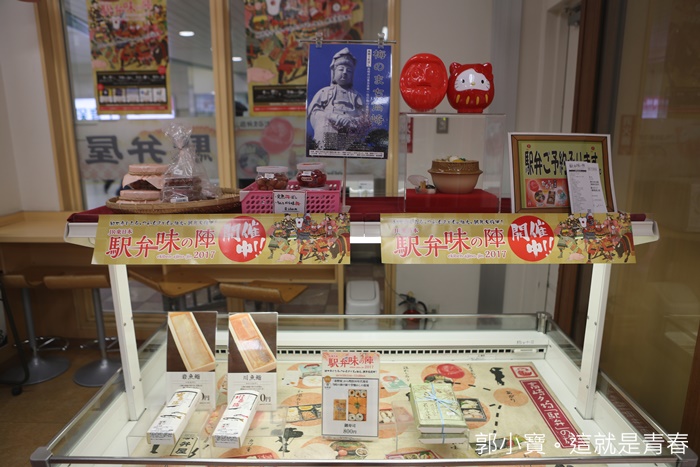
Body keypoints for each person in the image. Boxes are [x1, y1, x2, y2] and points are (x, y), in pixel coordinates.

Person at [307, 47, 366, 150]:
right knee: (330, 149)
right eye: (341, 69)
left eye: (349, 71)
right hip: (330, 130)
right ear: (334, 72)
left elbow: (365, 118)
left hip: (350, 133)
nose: (345, 72)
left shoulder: (357, 96)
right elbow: (314, 113)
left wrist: (352, 121)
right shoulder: (325, 92)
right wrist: (333, 117)